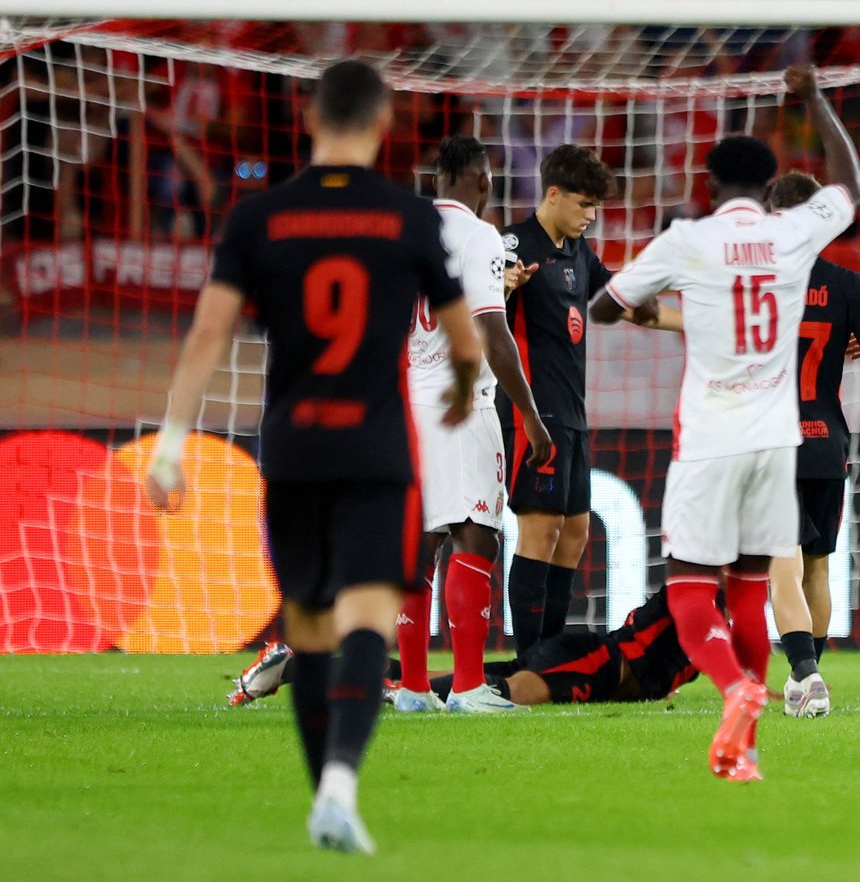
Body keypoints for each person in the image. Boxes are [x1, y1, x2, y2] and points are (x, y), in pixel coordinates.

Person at [144, 60, 482, 854]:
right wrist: (464, 389)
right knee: (368, 617)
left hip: (293, 445)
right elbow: (464, 340)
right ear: (384, 124)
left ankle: (322, 787)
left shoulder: (259, 216)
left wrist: (169, 441)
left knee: (307, 622)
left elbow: (208, 333)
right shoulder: (408, 217)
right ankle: (339, 785)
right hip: (376, 446)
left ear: (307, 118)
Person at [589, 64, 860, 780]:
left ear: (709, 185)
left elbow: (604, 307)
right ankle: (746, 746)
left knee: (689, 587)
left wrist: (646, 305)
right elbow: (852, 187)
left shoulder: (687, 239)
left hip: (709, 438)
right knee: (751, 588)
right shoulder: (793, 234)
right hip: (776, 441)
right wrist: (813, 100)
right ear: (771, 186)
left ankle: (735, 688)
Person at [499, 145, 677, 665]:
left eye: (595, 206)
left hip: (573, 412)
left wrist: (700, 325)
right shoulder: (514, 245)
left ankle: (547, 655)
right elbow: (482, 311)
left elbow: (624, 306)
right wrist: (503, 286)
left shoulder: (579, 250)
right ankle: (529, 662)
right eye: (583, 204)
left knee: (574, 532)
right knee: (540, 530)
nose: (591, 215)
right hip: (532, 413)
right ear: (553, 195)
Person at [395, 136, 551, 716]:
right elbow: (491, 331)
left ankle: (413, 689)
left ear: (437, 178)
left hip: (408, 402)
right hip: (460, 404)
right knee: (476, 535)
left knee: (419, 544)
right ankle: (466, 687)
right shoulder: (481, 235)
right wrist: (530, 416)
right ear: (483, 181)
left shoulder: (405, 229)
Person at [765, 171, 860, 719]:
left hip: (771, 442)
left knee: (784, 562)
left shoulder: (756, 281)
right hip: (826, 440)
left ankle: (805, 673)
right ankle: (807, 679)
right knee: (818, 566)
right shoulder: (847, 283)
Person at [230, 588, 702, 709]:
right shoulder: (687, 594)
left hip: (585, 662)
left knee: (434, 677)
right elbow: (641, 640)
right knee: (507, 694)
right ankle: (392, 693)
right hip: (593, 662)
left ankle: (297, 665)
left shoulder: (712, 627)